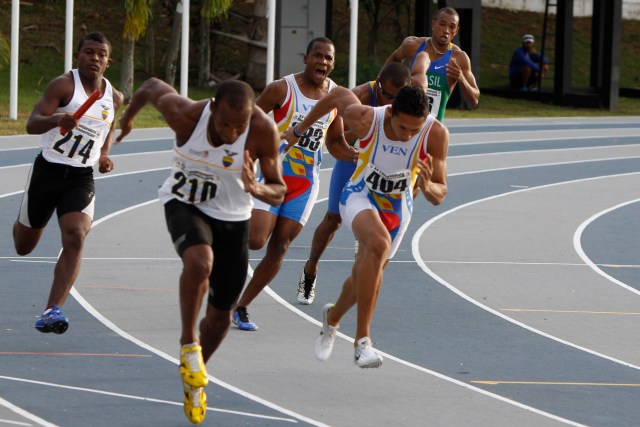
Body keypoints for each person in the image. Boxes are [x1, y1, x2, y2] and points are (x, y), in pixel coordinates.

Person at [115, 78, 286, 424]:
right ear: (212, 108)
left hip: (234, 218)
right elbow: (149, 87)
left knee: (221, 318)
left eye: (240, 124)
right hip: (185, 203)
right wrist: (129, 117)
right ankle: (187, 342)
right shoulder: (185, 115)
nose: (233, 132)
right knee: (199, 261)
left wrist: (257, 188)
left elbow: (279, 189)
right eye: (225, 123)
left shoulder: (262, 130)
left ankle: (195, 380)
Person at [284, 84, 449, 368]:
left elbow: (440, 193)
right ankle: (363, 342)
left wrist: (428, 186)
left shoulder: (435, 134)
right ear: (390, 114)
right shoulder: (366, 117)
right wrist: (299, 131)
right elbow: (334, 97)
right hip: (359, 195)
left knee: (365, 276)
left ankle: (332, 319)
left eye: (414, 130)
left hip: (398, 209)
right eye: (402, 128)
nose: (408, 135)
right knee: (378, 244)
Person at [231, 36, 357, 331]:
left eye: (328, 58)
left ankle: (242, 307)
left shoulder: (336, 96)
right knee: (256, 239)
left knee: (281, 245)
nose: (322, 62)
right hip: (271, 174)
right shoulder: (282, 88)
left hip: (304, 184)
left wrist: (354, 155)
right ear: (306, 59)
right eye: (317, 56)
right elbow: (251, 121)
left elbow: (335, 142)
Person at [296, 53, 430, 305]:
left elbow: (423, 57)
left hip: (389, 167)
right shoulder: (359, 97)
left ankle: (366, 242)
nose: (391, 102)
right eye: (387, 96)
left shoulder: (411, 96)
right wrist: (359, 146)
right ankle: (310, 269)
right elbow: (333, 139)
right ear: (378, 83)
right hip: (355, 159)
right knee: (332, 218)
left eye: (397, 97)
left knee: (403, 198)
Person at [13, 32, 123, 335]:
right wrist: (57, 120)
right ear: (79, 56)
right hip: (47, 172)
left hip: (80, 178)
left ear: (108, 61)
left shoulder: (114, 97)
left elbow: (109, 125)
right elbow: (32, 123)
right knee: (23, 246)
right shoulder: (63, 85)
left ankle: (52, 310)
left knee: (75, 236)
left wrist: (103, 154)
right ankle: (24, 220)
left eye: (101, 54)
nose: (95, 58)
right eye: (89, 52)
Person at [383, 6, 480, 121]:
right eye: (442, 24)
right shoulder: (413, 45)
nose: (446, 30)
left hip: (431, 129)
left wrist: (461, 78)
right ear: (433, 24)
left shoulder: (459, 58)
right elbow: (395, 57)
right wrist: (380, 86)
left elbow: (474, 100)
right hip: (405, 122)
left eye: (451, 27)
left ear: (455, 31)